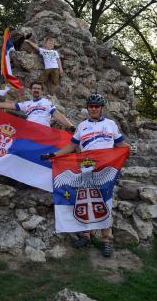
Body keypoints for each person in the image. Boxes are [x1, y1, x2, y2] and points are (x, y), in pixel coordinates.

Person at [41, 93, 131, 257]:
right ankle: (86, 235)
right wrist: (54, 155)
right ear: (88, 108)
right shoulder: (82, 126)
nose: (94, 109)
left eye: (97, 106)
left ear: (101, 108)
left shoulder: (111, 124)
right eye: (91, 106)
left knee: (105, 202)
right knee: (85, 200)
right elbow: (71, 146)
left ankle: (106, 240)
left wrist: (130, 148)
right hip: (87, 169)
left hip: (105, 170)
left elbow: (120, 143)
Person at [0, 81, 75, 129]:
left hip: (44, 132)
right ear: (31, 90)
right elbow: (8, 106)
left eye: (38, 89)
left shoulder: (47, 102)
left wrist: (71, 126)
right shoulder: (26, 104)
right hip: (29, 131)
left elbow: (58, 115)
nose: (36, 90)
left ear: (42, 91)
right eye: (34, 88)